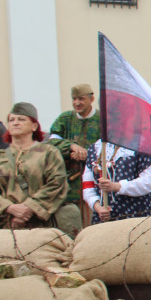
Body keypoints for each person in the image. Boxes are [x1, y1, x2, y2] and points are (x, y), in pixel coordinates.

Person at [0, 103, 75, 231]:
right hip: (7, 226)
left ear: (34, 126)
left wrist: (29, 208)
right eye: (11, 120)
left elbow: (57, 184)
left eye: (21, 119)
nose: (15, 123)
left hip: (44, 226)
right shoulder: (1, 157)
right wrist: (10, 208)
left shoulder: (49, 153)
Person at [48, 84, 101, 224]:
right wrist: (71, 147)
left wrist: (87, 155)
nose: (77, 103)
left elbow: (109, 147)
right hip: (69, 185)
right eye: (74, 99)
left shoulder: (102, 120)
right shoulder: (65, 119)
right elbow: (51, 143)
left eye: (81, 99)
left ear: (92, 99)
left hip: (96, 182)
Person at [81, 141, 151, 223]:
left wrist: (116, 187)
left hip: (135, 218)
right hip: (104, 220)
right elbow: (88, 186)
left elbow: (147, 183)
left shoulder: (143, 146)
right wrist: (98, 208)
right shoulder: (96, 148)